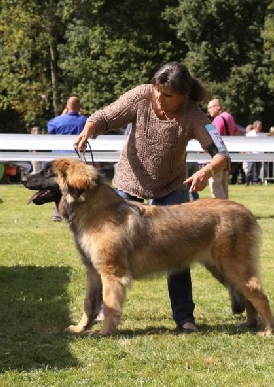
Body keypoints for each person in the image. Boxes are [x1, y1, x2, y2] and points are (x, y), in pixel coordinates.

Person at [73, 62, 231, 333]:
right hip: (126, 186)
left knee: (178, 255)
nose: (159, 98)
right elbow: (106, 116)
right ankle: (98, 314)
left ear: (183, 95)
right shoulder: (141, 96)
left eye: (168, 95)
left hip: (171, 189)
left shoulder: (193, 115)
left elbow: (222, 154)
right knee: (105, 255)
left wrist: (206, 172)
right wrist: (89, 128)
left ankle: (184, 318)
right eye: (158, 91)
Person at [47, 96, 88, 221]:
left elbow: (50, 130)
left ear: (66, 107)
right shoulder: (85, 121)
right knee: (75, 187)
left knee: (58, 186)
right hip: (76, 159)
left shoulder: (56, 121)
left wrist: (62, 115)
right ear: (79, 107)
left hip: (60, 159)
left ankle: (57, 212)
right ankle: (74, 212)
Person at [206, 98, 239, 198]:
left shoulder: (218, 120)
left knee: (215, 184)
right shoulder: (229, 117)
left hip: (218, 156)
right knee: (224, 184)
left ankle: (219, 208)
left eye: (210, 108)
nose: (208, 110)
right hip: (227, 156)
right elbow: (237, 133)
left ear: (218, 107)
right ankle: (226, 208)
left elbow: (215, 138)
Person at [245, 120, 263, 185]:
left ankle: (256, 180)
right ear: (255, 127)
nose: (260, 129)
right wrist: (248, 151)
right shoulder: (249, 134)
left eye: (260, 127)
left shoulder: (261, 135)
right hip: (251, 153)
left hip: (258, 153)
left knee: (258, 168)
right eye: (258, 127)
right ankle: (247, 181)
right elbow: (246, 143)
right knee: (250, 167)